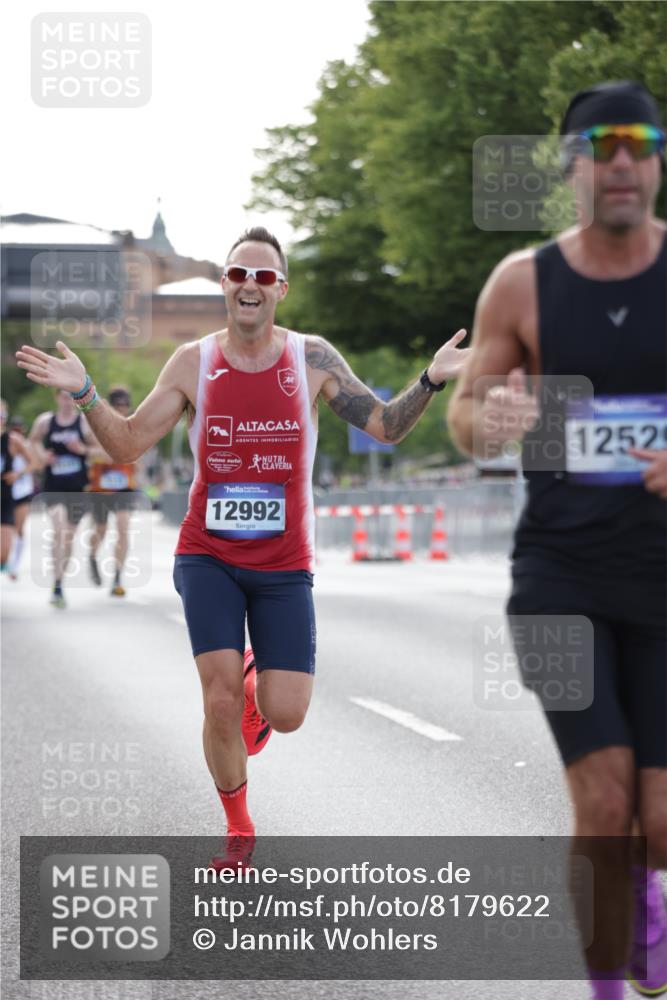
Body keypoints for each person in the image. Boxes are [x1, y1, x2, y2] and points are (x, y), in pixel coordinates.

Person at [16, 225, 470, 869]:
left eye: (263, 276)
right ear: (224, 287)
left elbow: (386, 427)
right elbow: (125, 445)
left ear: (280, 289)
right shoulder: (192, 362)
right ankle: (236, 823)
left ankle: (261, 683)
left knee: (284, 714)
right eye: (237, 275)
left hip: (285, 565)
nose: (249, 285)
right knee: (219, 697)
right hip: (208, 555)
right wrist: (87, 392)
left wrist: (429, 378)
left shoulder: (312, 359)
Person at [448, 81, 666, 999]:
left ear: (655, 161)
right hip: (556, 575)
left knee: (655, 821)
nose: (619, 160)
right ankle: (605, 984)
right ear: (571, 165)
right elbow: (463, 416)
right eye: (599, 145)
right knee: (604, 800)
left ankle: (647, 898)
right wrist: (489, 417)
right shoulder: (521, 282)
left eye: (638, 142)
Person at [28, 388, 97, 608]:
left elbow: (99, 449)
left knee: (67, 537)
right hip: (54, 486)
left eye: (71, 398)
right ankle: (56, 584)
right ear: (57, 397)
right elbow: (33, 441)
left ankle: (59, 582)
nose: (68, 402)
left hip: (77, 487)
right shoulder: (46, 421)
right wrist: (42, 455)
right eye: (64, 397)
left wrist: (82, 449)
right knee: (59, 527)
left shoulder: (83, 423)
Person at [87, 385, 141, 597]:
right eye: (118, 405)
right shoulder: (99, 426)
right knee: (100, 530)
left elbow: (138, 454)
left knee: (123, 528)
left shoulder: (132, 425)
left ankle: (117, 576)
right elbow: (90, 453)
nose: (122, 409)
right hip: (100, 488)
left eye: (125, 405)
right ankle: (92, 555)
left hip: (124, 487)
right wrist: (108, 453)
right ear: (110, 405)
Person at [1, 403, 36, 572]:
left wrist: (18, 474)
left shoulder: (16, 442)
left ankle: (14, 564)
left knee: (17, 532)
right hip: (10, 493)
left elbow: (34, 463)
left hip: (17, 493)